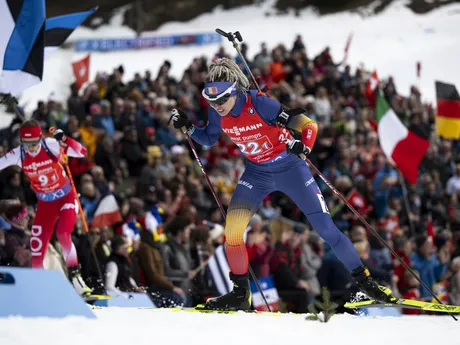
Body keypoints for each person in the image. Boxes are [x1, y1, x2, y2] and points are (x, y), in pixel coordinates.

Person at [170, 57, 395, 311]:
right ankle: (240, 294)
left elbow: (308, 125)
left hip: (290, 168)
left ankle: (365, 283)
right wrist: (188, 127)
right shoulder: (216, 110)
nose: (218, 106)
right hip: (256, 173)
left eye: (222, 99)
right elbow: (209, 139)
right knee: (232, 232)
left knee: (325, 228)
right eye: (212, 101)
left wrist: (304, 147)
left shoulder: (259, 102)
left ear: (234, 90)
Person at [0, 119, 90, 296]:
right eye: (27, 144)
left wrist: (65, 140)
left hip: (65, 199)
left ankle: (76, 278)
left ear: (40, 138)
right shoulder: (18, 154)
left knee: (63, 234)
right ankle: (40, 291)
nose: (31, 148)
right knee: (36, 247)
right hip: (46, 204)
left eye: (34, 143)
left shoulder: (50, 145)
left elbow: (82, 152)